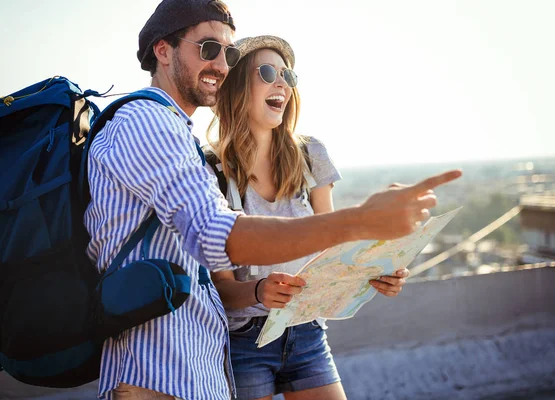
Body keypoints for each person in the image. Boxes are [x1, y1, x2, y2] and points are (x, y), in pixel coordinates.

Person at [84, 0, 461, 399]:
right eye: (208, 48)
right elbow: (217, 237)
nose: (221, 64)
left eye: (228, 53)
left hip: (198, 364)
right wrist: (360, 220)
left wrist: (370, 265)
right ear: (163, 50)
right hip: (159, 371)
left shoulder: (179, 134)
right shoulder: (150, 122)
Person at [206, 35, 410, 400]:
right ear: (237, 87)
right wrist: (257, 291)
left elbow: (333, 246)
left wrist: (375, 270)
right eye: (267, 73)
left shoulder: (310, 155)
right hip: (243, 343)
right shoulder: (211, 171)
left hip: (308, 331)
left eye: (287, 75)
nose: (282, 83)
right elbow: (218, 288)